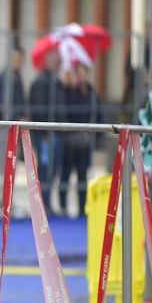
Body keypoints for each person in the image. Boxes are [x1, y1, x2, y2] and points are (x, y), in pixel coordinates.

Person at [57, 62, 98, 217]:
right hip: (69, 139)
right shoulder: (67, 91)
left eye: (83, 73)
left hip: (84, 139)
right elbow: (62, 112)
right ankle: (62, 206)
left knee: (82, 175)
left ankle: (82, 208)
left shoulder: (91, 92)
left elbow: (97, 115)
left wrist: (94, 136)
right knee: (65, 174)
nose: (80, 77)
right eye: (77, 73)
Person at [0, 48, 26, 209]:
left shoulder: (17, 79)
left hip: (13, 126)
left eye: (20, 60)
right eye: (16, 59)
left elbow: (20, 101)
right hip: (0, 126)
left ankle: (6, 198)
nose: (18, 63)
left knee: (10, 164)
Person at [28, 49, 65, 210]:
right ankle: (44, 204)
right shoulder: (42, 82)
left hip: (55, 130)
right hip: (45, 132)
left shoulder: (57, 81)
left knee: (53, 167)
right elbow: (38, 107)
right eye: (53, 62)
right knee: (45, 168)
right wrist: (42, 131)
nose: (56, 65)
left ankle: (48, 202)